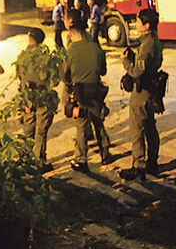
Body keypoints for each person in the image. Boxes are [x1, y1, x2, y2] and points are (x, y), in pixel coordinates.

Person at [119, 8, 163, 182]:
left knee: (137, 130)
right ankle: (153, 162)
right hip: (151, 90)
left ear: (146, 25)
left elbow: (137, 72)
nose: (136, 24)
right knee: (150, 127)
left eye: (138, 21)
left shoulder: (147, 46)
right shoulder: (154, 41)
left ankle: (139, 167)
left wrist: (126, 61)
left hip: (142, 92)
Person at [63, 22, 111, 173]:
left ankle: (81, 159)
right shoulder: (96, 48)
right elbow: (103, 70)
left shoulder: (69, 51)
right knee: (98, 122)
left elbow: (64, 75)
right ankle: (105, 154)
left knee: (82, 126)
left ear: (72, 33)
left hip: (79, 93)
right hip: (95, 90)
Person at [15, 28, 59, 173]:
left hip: (28, 98)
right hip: (43, 98)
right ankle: (39, 161)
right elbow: (55, 80)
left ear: (29, 39)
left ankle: (25, 160)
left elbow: (19, 78)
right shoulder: (45, 57)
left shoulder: (21, 56)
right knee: (41, 131)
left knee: (28, 129)